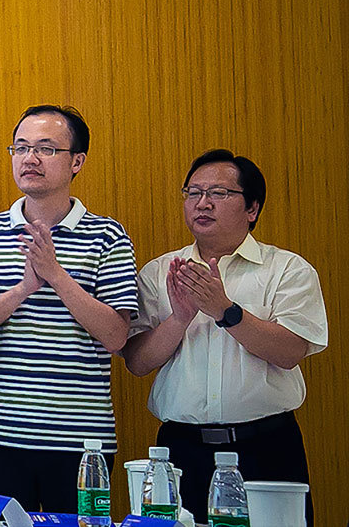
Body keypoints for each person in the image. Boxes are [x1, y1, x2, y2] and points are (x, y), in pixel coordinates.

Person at [124, 149, 326, 524]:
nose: (202, 203)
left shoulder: (287, 269)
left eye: (219, 193)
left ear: (252, 208)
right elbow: (137, 362)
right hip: (180, 451)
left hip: (266, 448)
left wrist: (226, 312)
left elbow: (290, 351)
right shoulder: (160, 271)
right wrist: (179, 319)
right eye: (193, 192)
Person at [0, 105, 136, 510]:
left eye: (46, 149)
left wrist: (55, 274)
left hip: (82, 442)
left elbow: (116, 335)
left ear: (77, 162)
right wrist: (23, 289)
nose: (30, 158)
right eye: (20, 148)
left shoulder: (107, 234)